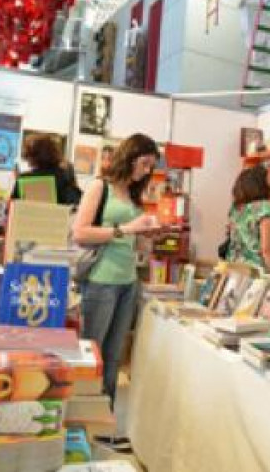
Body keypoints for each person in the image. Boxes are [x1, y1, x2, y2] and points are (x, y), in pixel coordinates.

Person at [71, 134, 161, 422]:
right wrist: (126, 229)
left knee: (113, 358)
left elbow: (134, 242)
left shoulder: (133, 196)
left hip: (128, 282)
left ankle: (103, 419)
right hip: (100, 280)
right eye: (145, 163)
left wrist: (148, 236)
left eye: (151, 167)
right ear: (130, 156)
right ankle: (80, 417)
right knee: (92, 352)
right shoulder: (101, 187)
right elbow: (81, 232)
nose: (147, 171)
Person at [227, 165, 270, 275]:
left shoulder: (235, 209)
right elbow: (267, 249)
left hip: (234, 269)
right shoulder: (265, 208)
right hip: (256, 273)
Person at [11, 134, 82, 205]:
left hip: (29, 216)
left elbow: (12, 209)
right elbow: (77, 204)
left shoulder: (24, 179)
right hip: (57, 215)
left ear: (32, 157)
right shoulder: (64, 176)